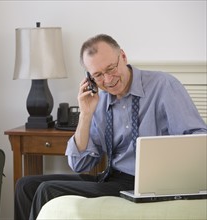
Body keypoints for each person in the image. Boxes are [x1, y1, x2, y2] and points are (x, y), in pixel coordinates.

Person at [14, 34, 207, 220]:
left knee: (48, 190)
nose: (108, 80)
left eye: (111, 68)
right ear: (89, 78)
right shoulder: (99, 99)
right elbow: (81, 164)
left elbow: (199, 137)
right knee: (25, 185)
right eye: (98, 75)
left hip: (149, 183)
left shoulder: (163, 85)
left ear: (123, 56)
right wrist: (86, 114)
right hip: (112, 178)